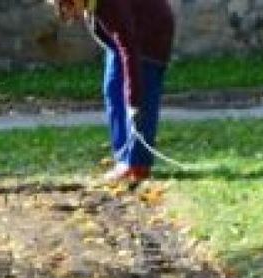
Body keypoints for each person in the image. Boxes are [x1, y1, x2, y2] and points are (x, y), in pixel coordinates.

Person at [53, 0, 175, 184]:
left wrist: (133, 100)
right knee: (112, 89)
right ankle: (123, 159)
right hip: (126, 40)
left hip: (149, 34)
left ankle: (137, 164)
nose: (68, 13)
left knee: (142, 92)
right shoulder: (92, 4)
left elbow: (129, 47)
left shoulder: (111, 5)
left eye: (68, 5)